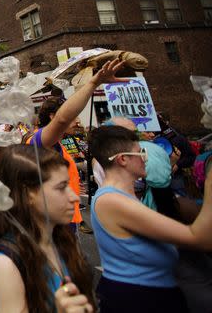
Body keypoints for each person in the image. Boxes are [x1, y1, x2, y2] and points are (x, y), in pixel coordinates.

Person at [89, 125, 212, 312]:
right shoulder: (111, 200)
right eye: (141, 153)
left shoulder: (123, 196)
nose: (145, 159)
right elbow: (198, 238)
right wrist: (210, 182)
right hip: (137, 299)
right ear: (123, 159)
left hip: (149, 295)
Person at [0, 145, 95, 313]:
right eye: (61, 187)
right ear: (29, 194)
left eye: (69, 185)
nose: (74, 197)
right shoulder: (6, 262)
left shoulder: (63, 241)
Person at [29, 60, 127, 236]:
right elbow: (62, 119)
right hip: (51, 228)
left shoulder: (58, 145)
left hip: (67, 224)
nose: (77, 121)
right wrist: (93, 83)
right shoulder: (39, 142)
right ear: (53, 116)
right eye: (74, 116)